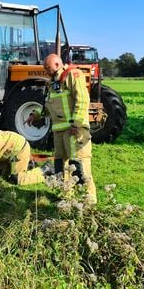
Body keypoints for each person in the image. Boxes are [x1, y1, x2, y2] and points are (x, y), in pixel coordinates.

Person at [41, 53, 97, 203]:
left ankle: (88, 201)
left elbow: (83, 99)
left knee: (79, 164)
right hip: (59, 131)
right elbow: (50, 105)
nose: (46, 71)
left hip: (74, 130)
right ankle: (66, 197)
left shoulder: (73, 75)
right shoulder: (52, 83)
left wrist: (76, 124)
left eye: (48, 68)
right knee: (61, 165)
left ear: (58, 65)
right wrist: (35, 115)